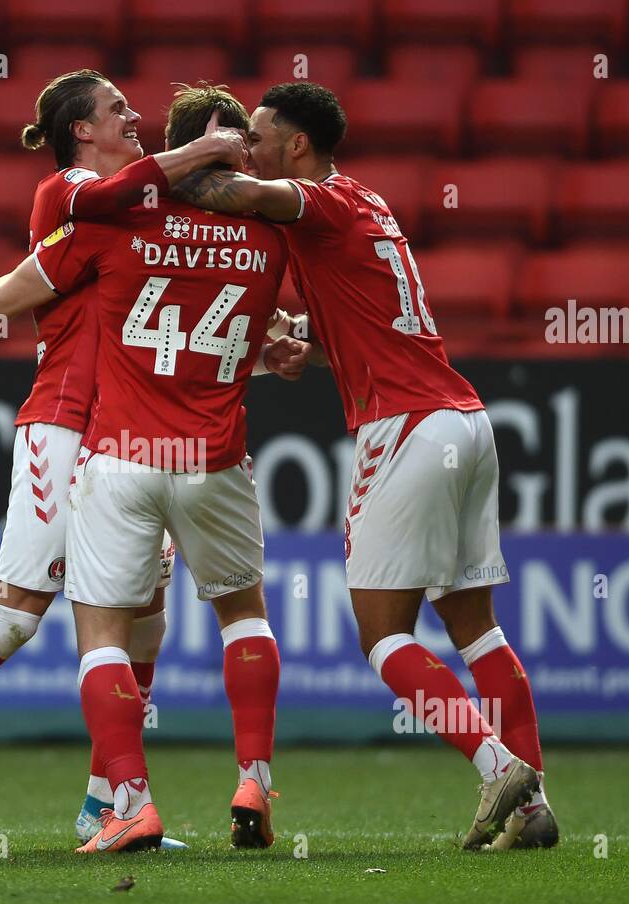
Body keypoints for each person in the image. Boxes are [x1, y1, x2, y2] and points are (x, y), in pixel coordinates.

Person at [0, 70, 297, 849]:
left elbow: (178, 337)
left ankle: (111, 797)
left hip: (128, 438)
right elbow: (6, 290)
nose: (133, 118)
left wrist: (265, 355)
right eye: (116, 111)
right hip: (64, 427)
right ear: (80, 131)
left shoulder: (149, 210)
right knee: (16, 614)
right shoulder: (76, 194)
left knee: (144, 625)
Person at [171, 82, 556, 850]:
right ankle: (532, 806)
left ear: (298, 148)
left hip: (407, 426)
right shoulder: (366, 203)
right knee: (477, 631)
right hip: (465, 420)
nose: (251, 144)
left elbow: (232, 190)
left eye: (262, 133)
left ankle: (495, 765)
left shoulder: (319, 201)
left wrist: (190, 158)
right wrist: (309, 349)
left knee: (384, 639)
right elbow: (370, 322)